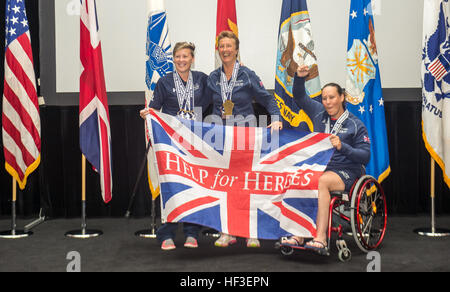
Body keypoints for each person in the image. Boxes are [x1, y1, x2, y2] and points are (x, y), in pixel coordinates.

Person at [282, 64, 371, 252]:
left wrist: (342, 146)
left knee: (321, 181)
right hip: (320, 167)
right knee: (300, 176)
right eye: (324, 98)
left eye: (332, 97)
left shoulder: (355, 124)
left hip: (346, 172)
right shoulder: (318, 113)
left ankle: (321, 238)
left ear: (341, 98)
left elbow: (365, 156)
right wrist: (299, 77)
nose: (328, 102)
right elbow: (299, 97)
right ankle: (299, 234)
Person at [207, 31, 284, 248]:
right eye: (221, 46)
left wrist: (276, 119)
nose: (225, 50)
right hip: (221, 139)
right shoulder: (213, 78)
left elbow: (267, 99)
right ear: (218, 50)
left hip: (246, 138)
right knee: (226, 185)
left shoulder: (247, 75)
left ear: (236, 49)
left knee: (247, 185)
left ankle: (251, 232)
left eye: (229, 46)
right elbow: (199, 100)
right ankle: (227, 232)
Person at [140, 42, 212, 251]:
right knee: (171, 186)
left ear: (192, 59)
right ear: (174, 59)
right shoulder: (164, 82)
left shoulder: (202, 79)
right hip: (171, 143)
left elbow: (218, 91)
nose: (182, 60)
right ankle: (166, 233)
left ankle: (191, 233)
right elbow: (154, 107)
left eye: (186, 56)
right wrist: (148, 112)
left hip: (195, 142)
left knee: (193, 187)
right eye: (178, 57)